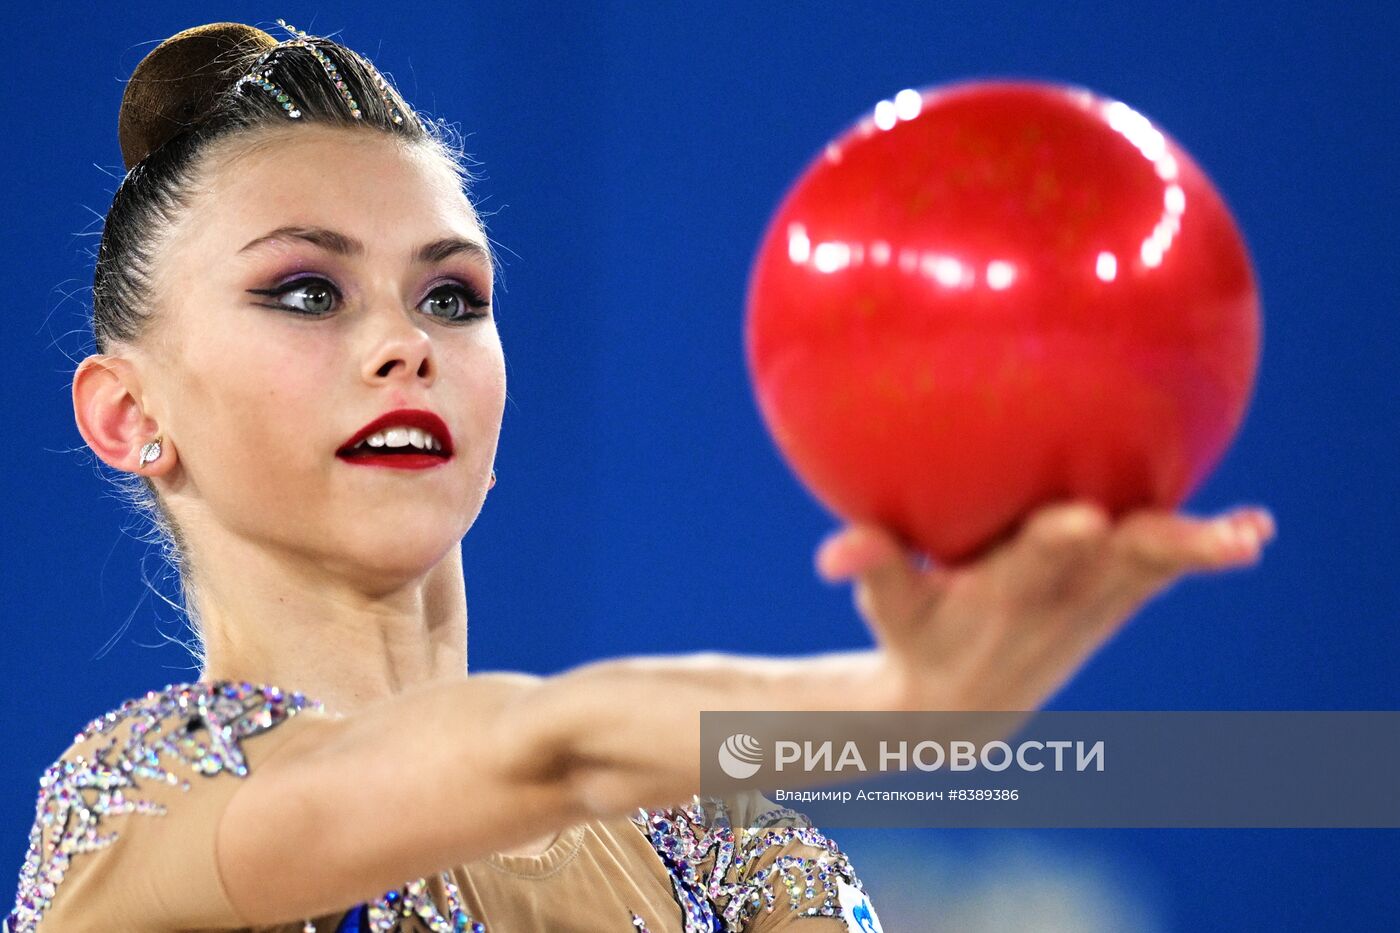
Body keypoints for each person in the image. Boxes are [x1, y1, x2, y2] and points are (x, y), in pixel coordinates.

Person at [5, 17, 1276, 933]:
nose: (406, 344)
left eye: (451, 297)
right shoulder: (137, 816)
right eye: (304, 291)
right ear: (129, 414)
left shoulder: (719, 849)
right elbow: (547, 753)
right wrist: (890, 699)